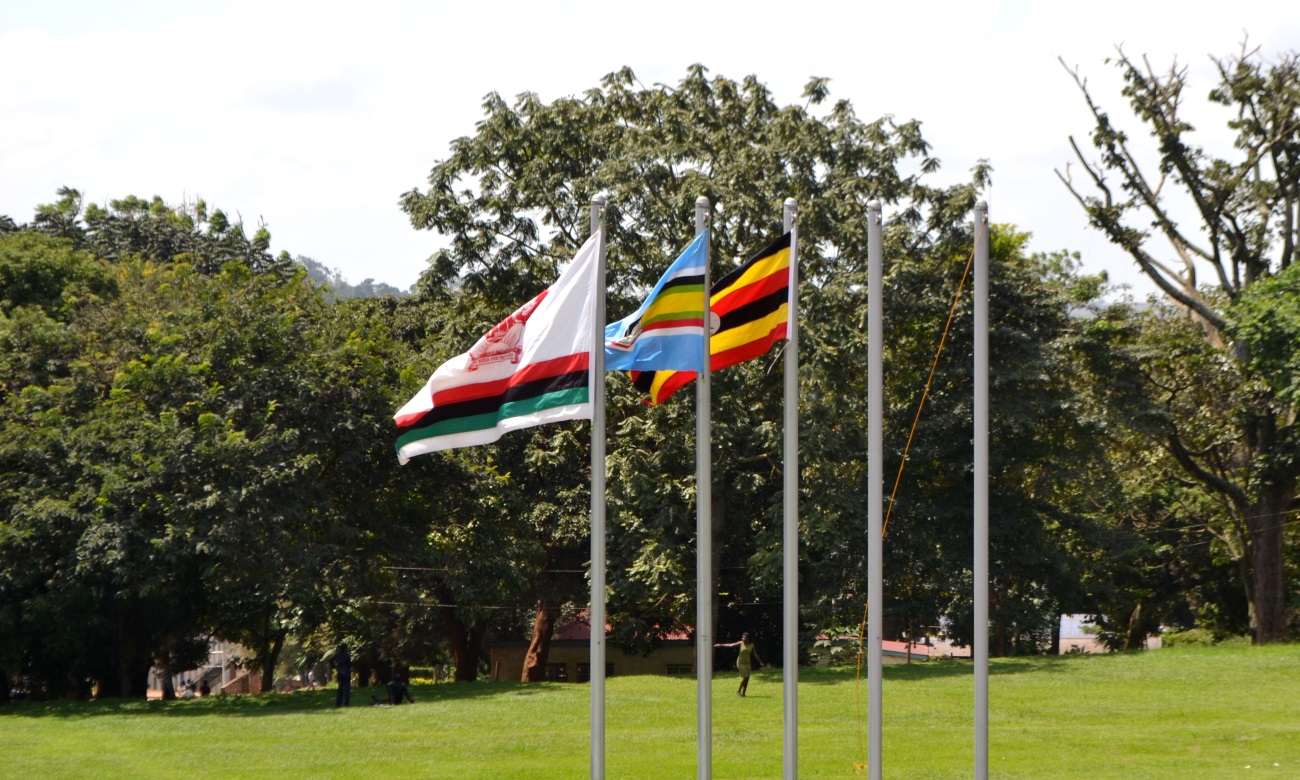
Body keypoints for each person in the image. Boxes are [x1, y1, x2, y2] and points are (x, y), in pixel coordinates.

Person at [714, 632, 763, 697]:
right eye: (742, 637)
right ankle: (738, 691)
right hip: (740, 662)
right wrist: (720, 645)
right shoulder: (741, 643)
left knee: (747, 678)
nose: (743, 638)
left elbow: (755, 654)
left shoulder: (751, 645)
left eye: (744, 637)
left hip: (747, 663)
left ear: (748, 638)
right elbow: (731, 645)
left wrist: (760, 662)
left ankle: (743, 693)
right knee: (745, 677)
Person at [330, 642, 352, 707]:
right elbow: (349, 664)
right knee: (347, 689)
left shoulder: (337, 655)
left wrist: (334, 666)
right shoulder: (347, 655)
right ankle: (346, 703)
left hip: (340, 672)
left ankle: (338, 703)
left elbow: (330, 660)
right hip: (346, 672)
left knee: (340, 688)